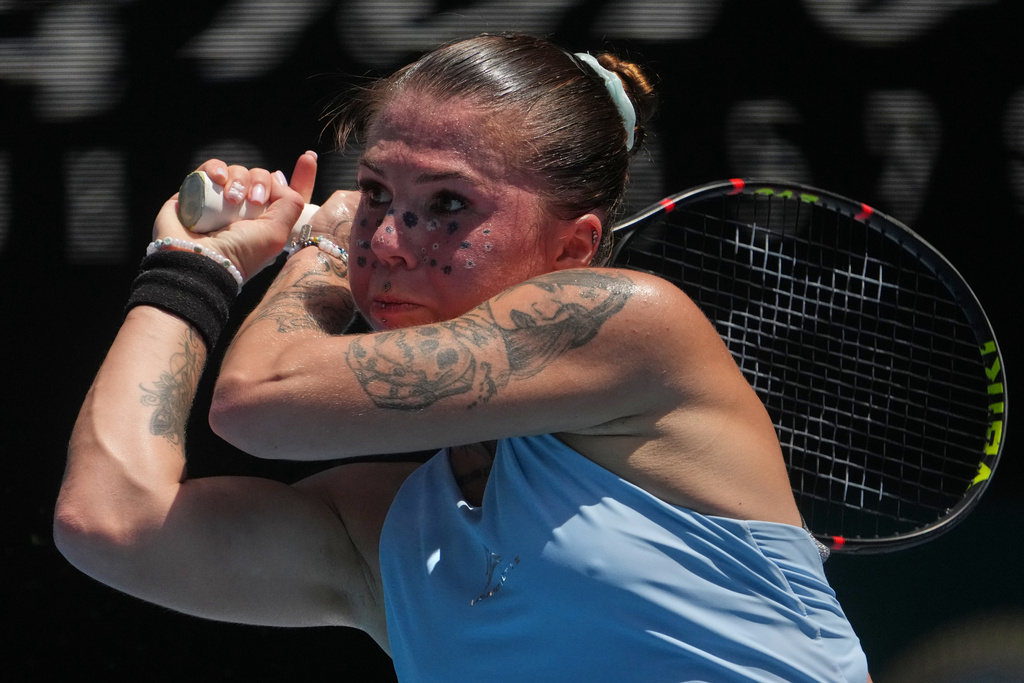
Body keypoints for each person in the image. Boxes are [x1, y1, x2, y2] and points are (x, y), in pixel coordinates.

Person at [55, 32, 870, 682]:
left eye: (445, 205)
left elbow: (259, 400)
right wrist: (192, 269)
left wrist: (321, 256)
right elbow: (110, 522)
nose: (386, 239)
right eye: (375, 192)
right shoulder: (387, 532)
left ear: (573, 247)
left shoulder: (629, 325)